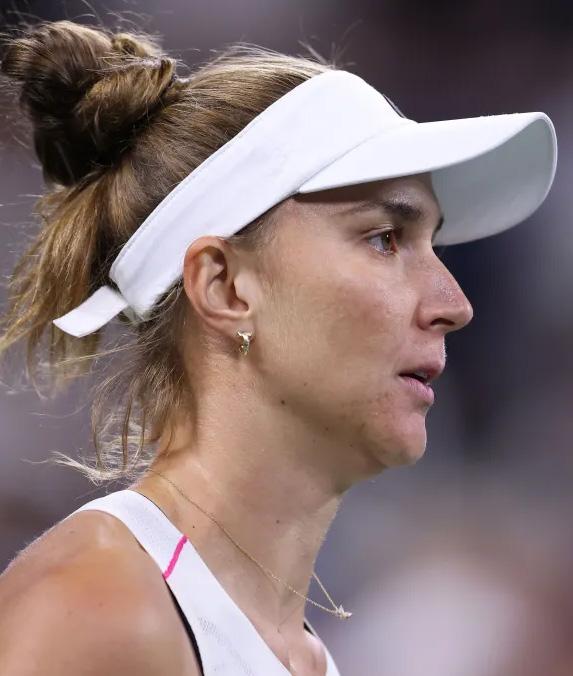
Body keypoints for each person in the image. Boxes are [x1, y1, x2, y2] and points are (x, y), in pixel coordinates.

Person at [0, 19, 557, 676]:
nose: (454, 305)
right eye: (384, 238)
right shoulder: (98, 608)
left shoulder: (295, 651)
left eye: (431, 244)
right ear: (226, 286)